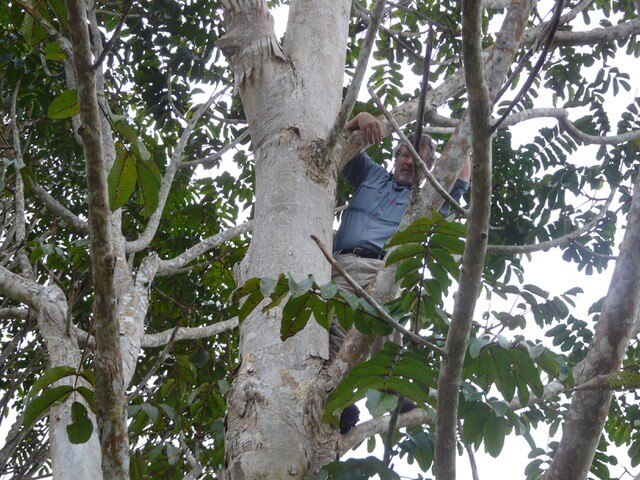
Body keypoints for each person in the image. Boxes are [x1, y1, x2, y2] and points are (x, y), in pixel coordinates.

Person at [331, 112, 470, 433]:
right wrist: (363, 118)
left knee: (385, 327)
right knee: (336, 331)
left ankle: (388, 388)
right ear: (395, 157)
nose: (410, 162)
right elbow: (342, 144)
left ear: (428, 169)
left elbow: (461, 178)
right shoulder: (371, 174)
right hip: (344, 262)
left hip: (387, 267)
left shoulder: (429, 197)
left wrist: (466, 137)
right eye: (405, 154)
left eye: (419, 160)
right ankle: (339, 398)